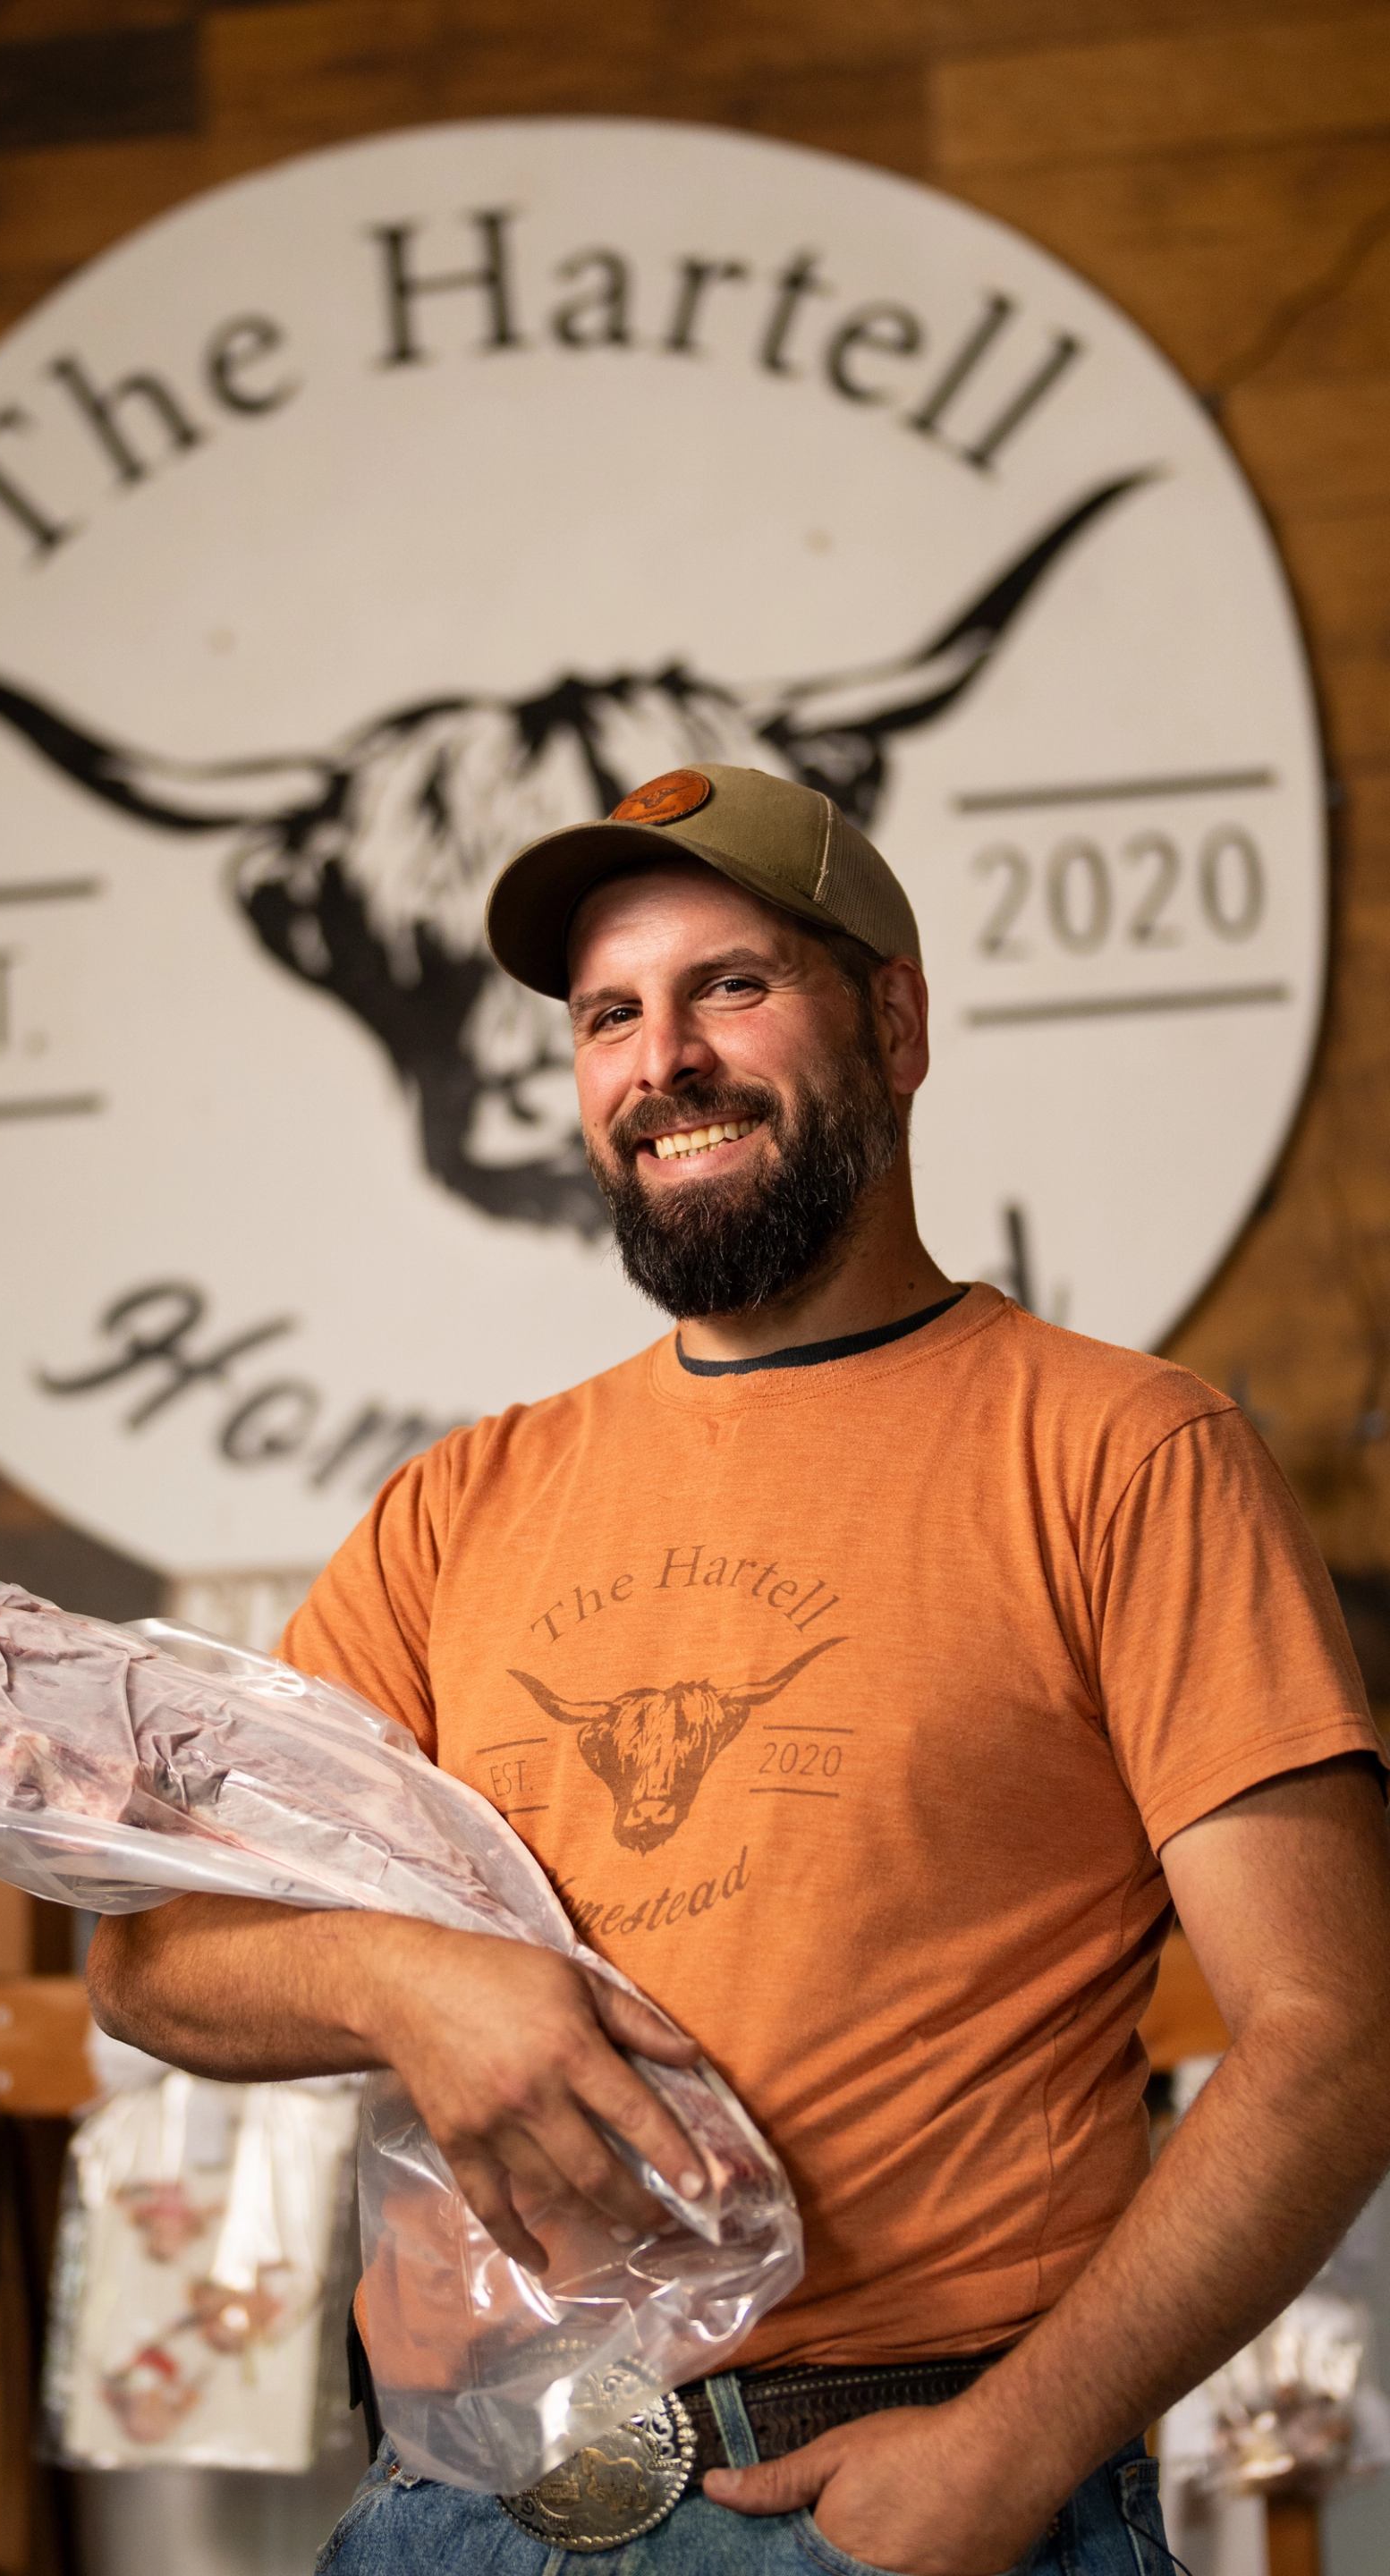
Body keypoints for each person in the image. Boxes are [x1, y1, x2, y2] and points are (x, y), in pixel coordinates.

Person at [89, 763, 1390, 2576]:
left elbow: (1336, 2037)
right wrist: (416, 1990)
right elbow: (151, 1961)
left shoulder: (1121, 1452)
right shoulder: (460, 1505)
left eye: (734, 987)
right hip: (451, 2514)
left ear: (899, 1020)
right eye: (610, 1015)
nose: (662, 1059)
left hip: (890, 2506)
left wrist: (1018, 2453)